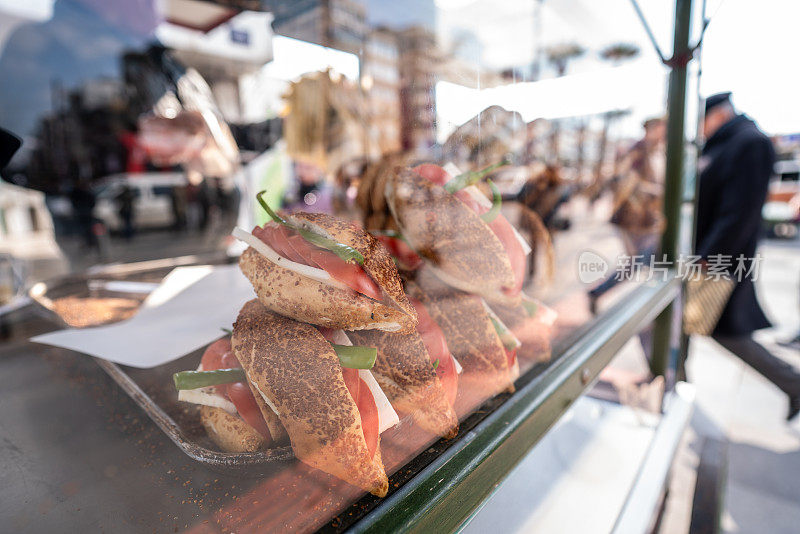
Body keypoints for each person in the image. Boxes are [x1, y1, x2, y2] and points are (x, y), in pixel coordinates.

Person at [695, 92, 800, 421]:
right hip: (711, 255)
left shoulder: (748, 143)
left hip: (722, 260)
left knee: (724, 330)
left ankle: (794, 383)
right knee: (715, 328)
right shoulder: (730, 143)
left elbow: (739, 212)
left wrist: (709, 258)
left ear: (719, 115)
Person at [588, 117, 667, 315]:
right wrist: (656, 191)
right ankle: (598, 292)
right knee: (639, 261)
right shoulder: (638, 150)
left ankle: (602, 293)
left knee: (643, 260)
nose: (664, 132)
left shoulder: (656, 151)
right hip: (633, 219)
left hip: (646, 218)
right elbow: (625, 181)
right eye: (662, 128)